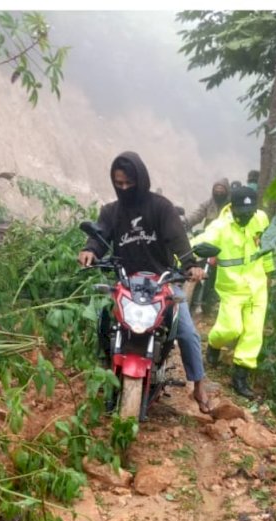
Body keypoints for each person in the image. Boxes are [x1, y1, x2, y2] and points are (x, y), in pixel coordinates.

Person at [77, 151, 211, 413]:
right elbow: (100, 237)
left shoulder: (160, 207)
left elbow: (178, 240)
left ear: (141, 180)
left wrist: (191, 265)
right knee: (103, 322)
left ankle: (199, 385)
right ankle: (106, 366)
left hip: (161, 281)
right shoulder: (111, 211)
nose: (124, 188)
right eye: (119, 184)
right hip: (126, 283)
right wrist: (90, 250)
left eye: (129, 183)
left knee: (185, 331)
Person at [191, 186, 274, 399]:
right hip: (232, 288)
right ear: (233, 208)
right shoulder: (220, 227)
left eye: (250, 211)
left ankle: (240, 377)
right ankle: (213, 343)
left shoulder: (261, 218)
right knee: (231, 329)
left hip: (257, 286)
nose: (247, 216)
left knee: (253, 333)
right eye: (242, 212)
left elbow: (266, 247)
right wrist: (176, 254)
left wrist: (269, 271)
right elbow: (198, 243)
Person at [185, 178, 230, 315]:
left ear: (227, 191)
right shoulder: (208, 204)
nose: (219, 192)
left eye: (222, 190)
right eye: (216, 189)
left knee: (220, 276)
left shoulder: (230, 206)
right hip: (209, 242)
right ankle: (195, 303)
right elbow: (197, 215)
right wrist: (185, 222)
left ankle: (212, 305)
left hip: (226, 243)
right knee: (201, 270)